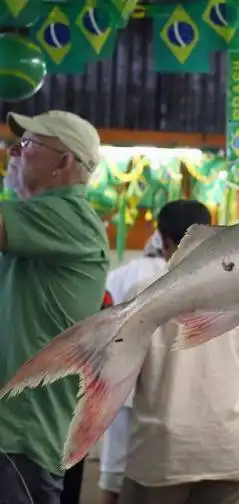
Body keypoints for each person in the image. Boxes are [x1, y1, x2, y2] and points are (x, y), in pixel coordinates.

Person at [118, 200, 239, 504]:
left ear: (165, 241)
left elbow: (122, 376)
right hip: (228, 449)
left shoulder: (141, 296)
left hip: (163, 453)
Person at [0, 111, 109, 504]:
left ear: (64, 163)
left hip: (21, 438)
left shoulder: (69, 217)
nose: (13, 152)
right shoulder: (29, 223)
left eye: (28, 144)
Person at [97, 232, 168, 504]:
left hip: (120, 385)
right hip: (161, 389)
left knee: (113, 471)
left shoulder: (118, 275)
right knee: (156, 474)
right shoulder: (178, 275)